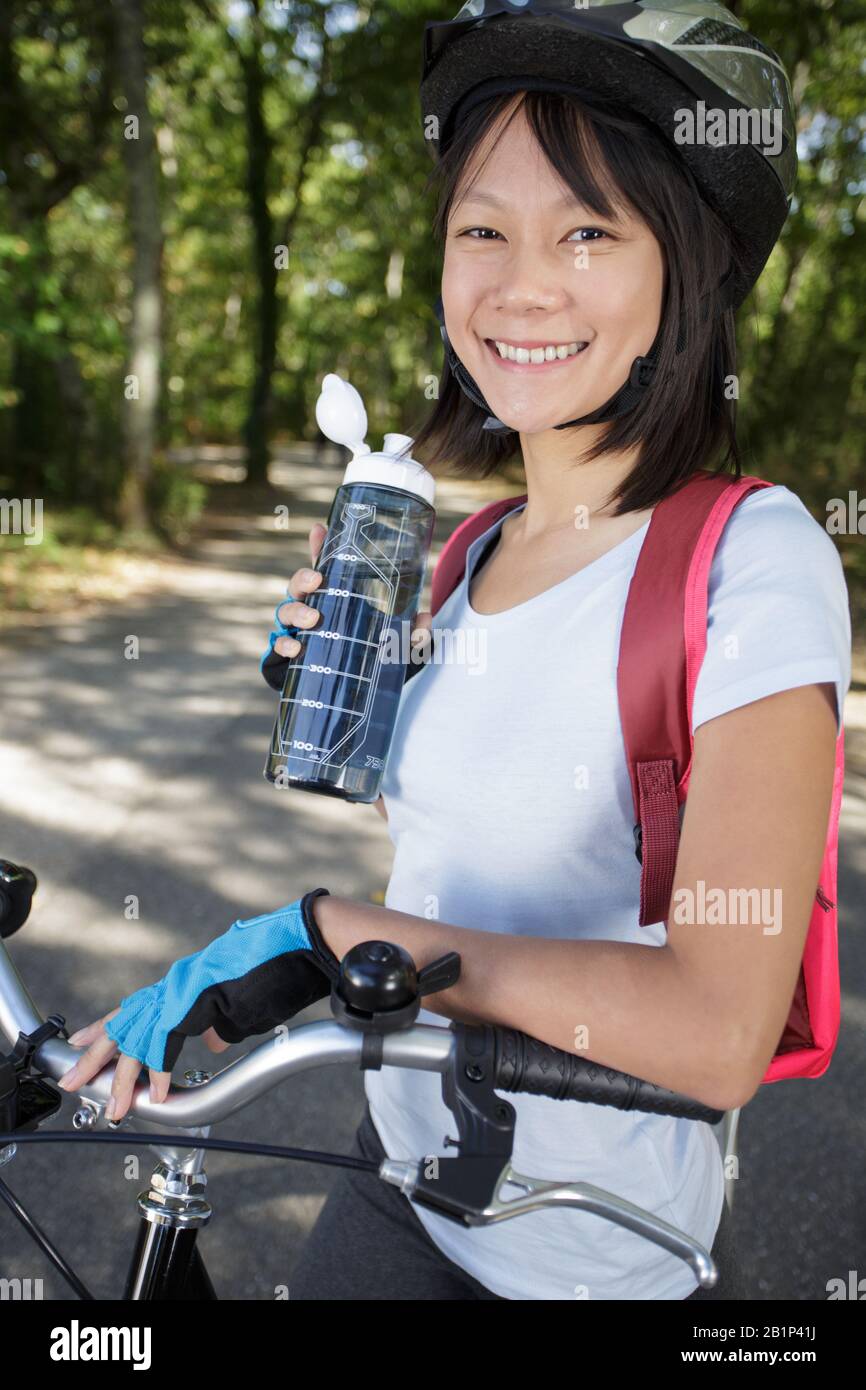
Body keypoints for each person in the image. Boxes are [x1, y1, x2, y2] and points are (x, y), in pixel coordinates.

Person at [60, 2, 852, 1300]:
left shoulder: (749, 559)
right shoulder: (464, 550)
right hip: (403, 1175)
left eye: (587, 230)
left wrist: (336, 933)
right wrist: (329, 693)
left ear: (684, 276)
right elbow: (471, 829)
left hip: (590, 1249)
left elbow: (715, 1029)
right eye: (480, 227)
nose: (519, 281)